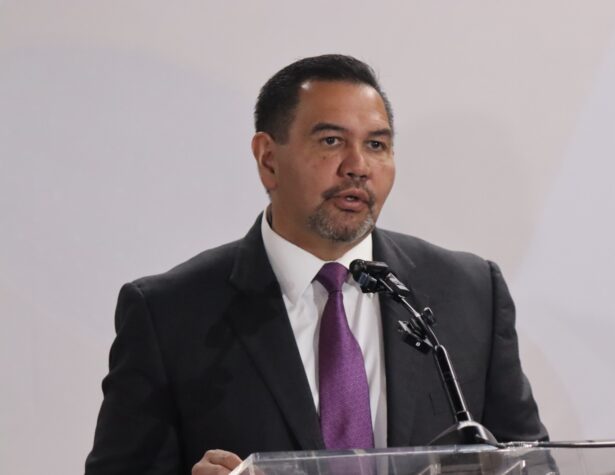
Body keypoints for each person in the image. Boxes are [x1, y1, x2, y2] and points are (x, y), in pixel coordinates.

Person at [86, 54, 547, 475]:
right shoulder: (170, 313)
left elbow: (534, 465)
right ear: (269, 159)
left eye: (377, 145)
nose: (358, 166)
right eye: (331, 141)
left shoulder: (469, 293)